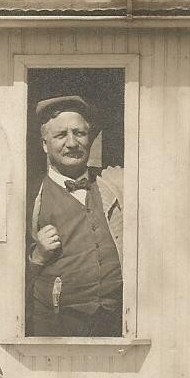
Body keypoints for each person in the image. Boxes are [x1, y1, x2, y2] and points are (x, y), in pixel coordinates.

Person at [26, 95, 124, 337]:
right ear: (44, 144)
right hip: (58, 326)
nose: (72, 143)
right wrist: (38, 255)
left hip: (116, 320)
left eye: (79, 133)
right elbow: (0, 276)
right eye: (61, 135)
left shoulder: (112, 184)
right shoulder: (30, 197)